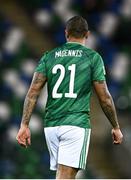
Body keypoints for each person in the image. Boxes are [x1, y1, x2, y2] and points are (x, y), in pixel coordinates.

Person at [16, 16, 123, 179]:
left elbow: (32, 93)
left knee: (64, 174)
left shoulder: (49, 56)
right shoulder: (92, 58)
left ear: (66, 33)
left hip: (52, 126)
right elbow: (105, 98)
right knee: (65, 176)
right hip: (75, 125)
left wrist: (24, 124)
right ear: (87, 34)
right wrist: (115, 126)